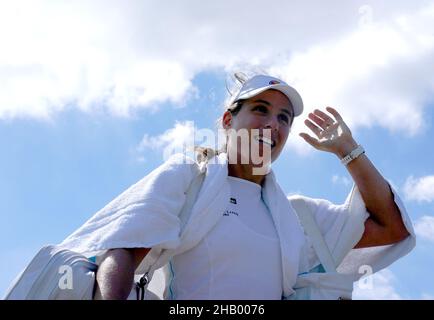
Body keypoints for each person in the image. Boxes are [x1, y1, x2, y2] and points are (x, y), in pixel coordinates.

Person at [59, 73, 415, 300]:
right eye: (261, 109)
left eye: (284, 119)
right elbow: (122, 249)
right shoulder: (190, 180)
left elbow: (392, 227)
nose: (272, 125)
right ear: (229, 120)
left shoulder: (299, 217)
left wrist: (348, 151)